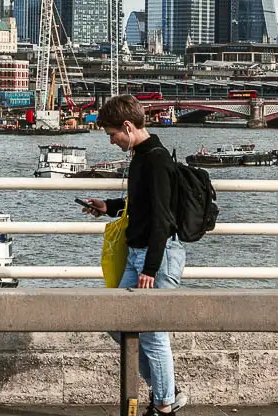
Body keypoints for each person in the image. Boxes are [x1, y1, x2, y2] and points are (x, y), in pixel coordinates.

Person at [81, 95, 187, 415]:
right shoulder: (141, 157)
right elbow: (140, 206)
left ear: (127, 127)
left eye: (112, 134)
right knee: (114, 321)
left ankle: (165, 404)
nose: (112, 141)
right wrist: (108, 207)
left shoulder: (156, 161)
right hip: (137, 254)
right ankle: (165, 388)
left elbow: (162, 221)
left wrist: (151, 269)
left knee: (153, 334)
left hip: (158, 256)